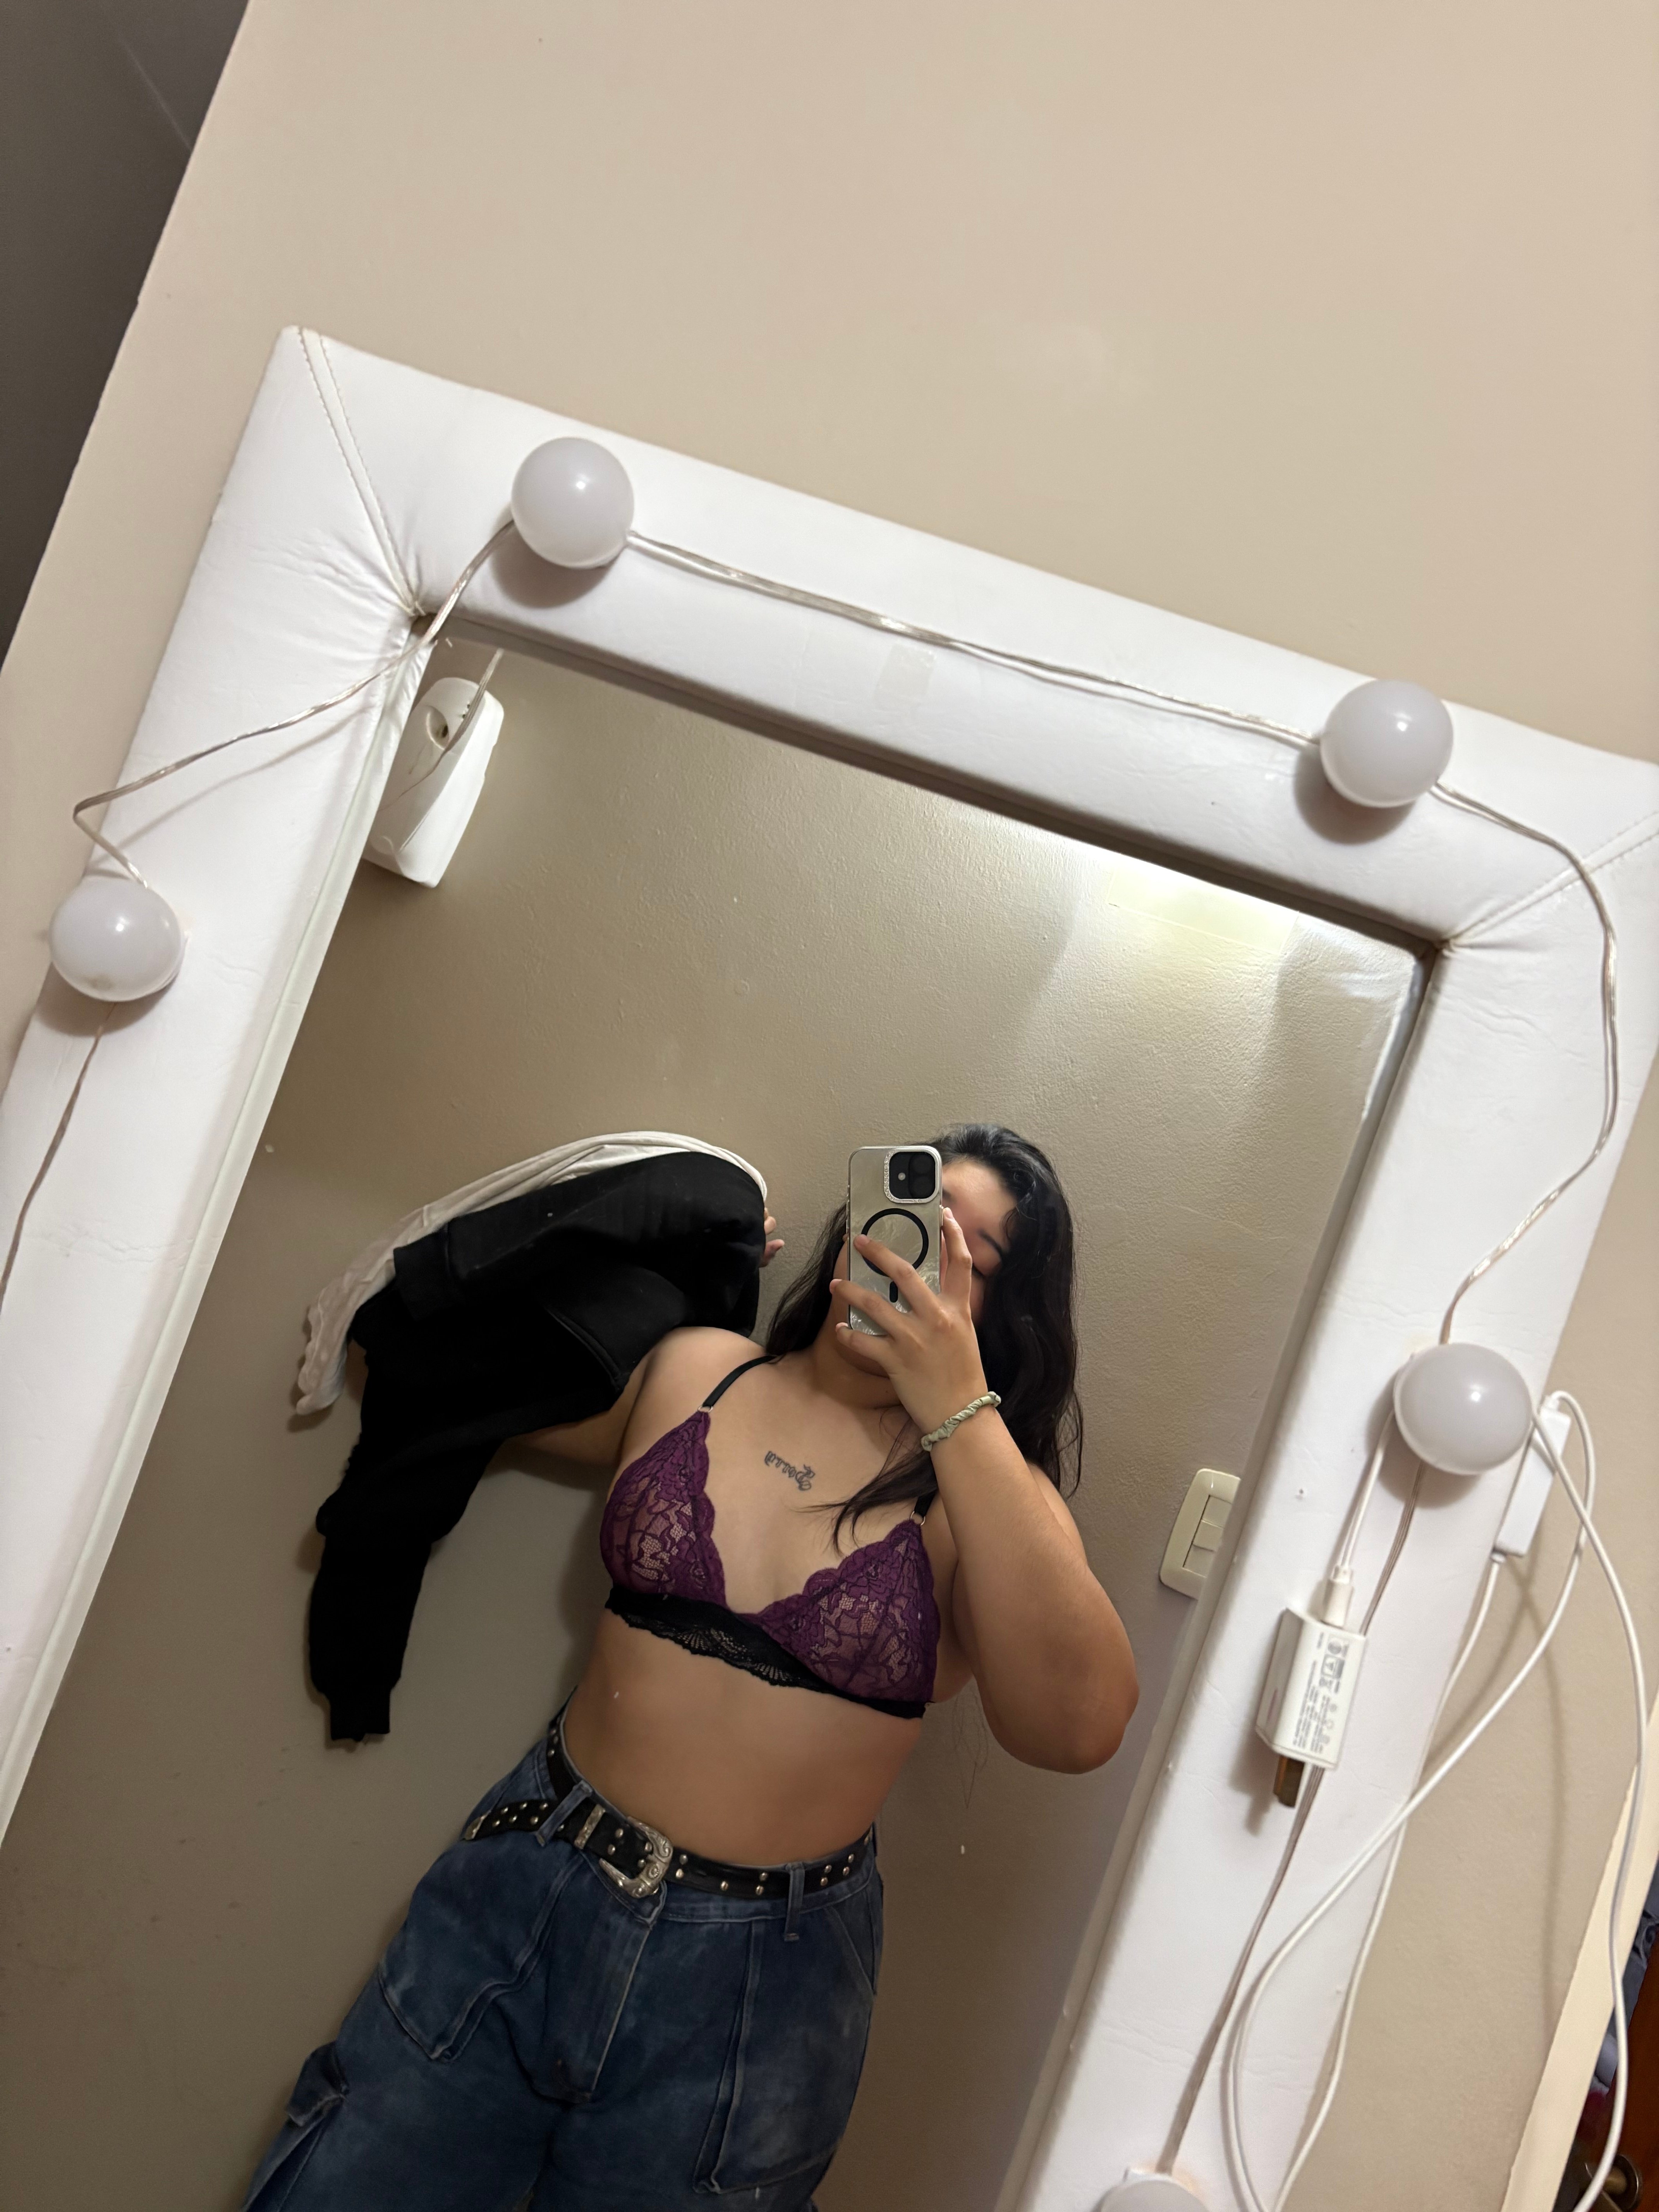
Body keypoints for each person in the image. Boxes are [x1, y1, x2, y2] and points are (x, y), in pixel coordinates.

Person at [242, 1125, 1138, 2212]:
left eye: (968, 1257)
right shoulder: (699, 1368)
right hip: (528, 1886)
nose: (915, 1254)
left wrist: (959, 1408)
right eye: (910, 1215)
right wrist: (662, 1218)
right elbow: (438, 1355)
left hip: (761, 1982)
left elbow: (1077, 1728)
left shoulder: (982, 1500)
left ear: (1001, 1313)